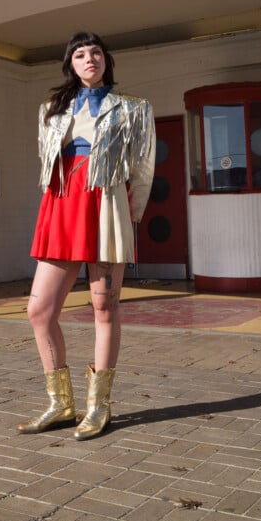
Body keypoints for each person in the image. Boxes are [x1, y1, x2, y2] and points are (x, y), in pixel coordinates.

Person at [17, 31, 155, 440]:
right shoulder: (51, 109)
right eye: (79, 54)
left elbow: (143, 168)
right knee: (39, 311)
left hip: (106, 209)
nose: (89, 58)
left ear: (106, 60)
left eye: (95, 52)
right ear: (71, 64)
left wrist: (130, 218)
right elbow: (47, 163)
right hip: (61, 205)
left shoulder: (134, 108)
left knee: (105, 310)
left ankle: (99, 407)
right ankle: (61, 403)